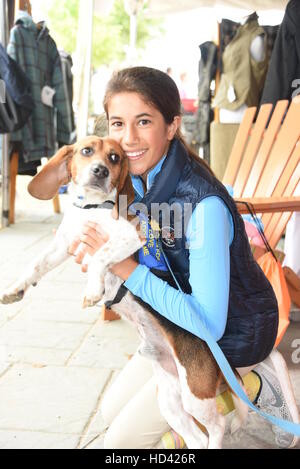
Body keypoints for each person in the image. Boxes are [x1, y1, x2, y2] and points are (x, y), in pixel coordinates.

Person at [69, 66, 299, 449]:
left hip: (232, 332)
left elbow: (208, 322)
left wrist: (124, 269)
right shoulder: (130, 181)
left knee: (123, 441)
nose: (128, 139)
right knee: (111, 410)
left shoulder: (203, 205)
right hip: (173, 324)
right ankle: (247, 385)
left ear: (172, 126)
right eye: (118, 123)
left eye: (144, 122)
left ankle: (246, 376)